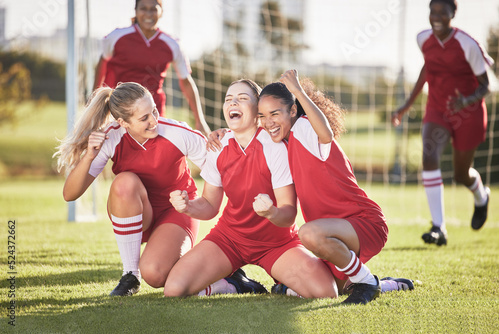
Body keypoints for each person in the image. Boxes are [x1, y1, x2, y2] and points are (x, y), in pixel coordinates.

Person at [54, 82, 258, 297]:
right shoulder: (110, 137)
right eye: (144, 118)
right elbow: (70, 194)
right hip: (137, 213)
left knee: (155, 274)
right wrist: (89, 155)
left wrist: (226, 138)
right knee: (124, 182)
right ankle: (130, 275)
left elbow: (221, 163)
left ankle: (229, 283)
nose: (154, 121)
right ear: (123, 122)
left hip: (176, 212)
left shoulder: (177, 133)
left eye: (153, 111)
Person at [164, 79, 338, 299]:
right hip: (230, 239)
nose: (233, 103)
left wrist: (272, 212)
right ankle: (233, 284)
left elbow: (288, 213)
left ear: (258, 110)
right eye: (228, 99)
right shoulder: (218, 146)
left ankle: (284, 286)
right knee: (174, 290)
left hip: (276, 243)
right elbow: (209, 205)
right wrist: (188, 206)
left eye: (242, 98)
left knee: (325, 292)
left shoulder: (275, 147)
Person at [256, 70, 411, 304]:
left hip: (362, 223)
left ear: (293, 110)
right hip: (333, 236)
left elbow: (326, 134)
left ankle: (368, 283)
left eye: (274, 114)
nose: (268, 122)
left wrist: (297, 91)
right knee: (326, 288)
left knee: (306, 233)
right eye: (262, 116)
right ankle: (384, 284)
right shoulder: (284, 144)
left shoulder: (305, 128)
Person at [392, 0, 493, 246]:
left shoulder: (467, 44)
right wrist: (407, 105)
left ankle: (481, 196)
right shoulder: (423, 39)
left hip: (468, 113)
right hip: (437, 109)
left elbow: (486, 86)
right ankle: (439, 227)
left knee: (461, 174)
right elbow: (428, 69)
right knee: (429, 155)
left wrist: (466, 101)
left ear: (452, 14)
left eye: (442, 12)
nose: (436, 17)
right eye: (432, 11)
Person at [93, 0, 211, 136]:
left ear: (161, 12)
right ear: (135, 11)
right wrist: (94, 100)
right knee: (118, 154)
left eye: (153, 9)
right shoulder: (116, 37)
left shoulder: (172, 45)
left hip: (153, 112)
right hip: (119, 109)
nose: (148, 14)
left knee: (153, 154)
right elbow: (102, 63)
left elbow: (186, 81)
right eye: (143, 8)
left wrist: (200, 120)